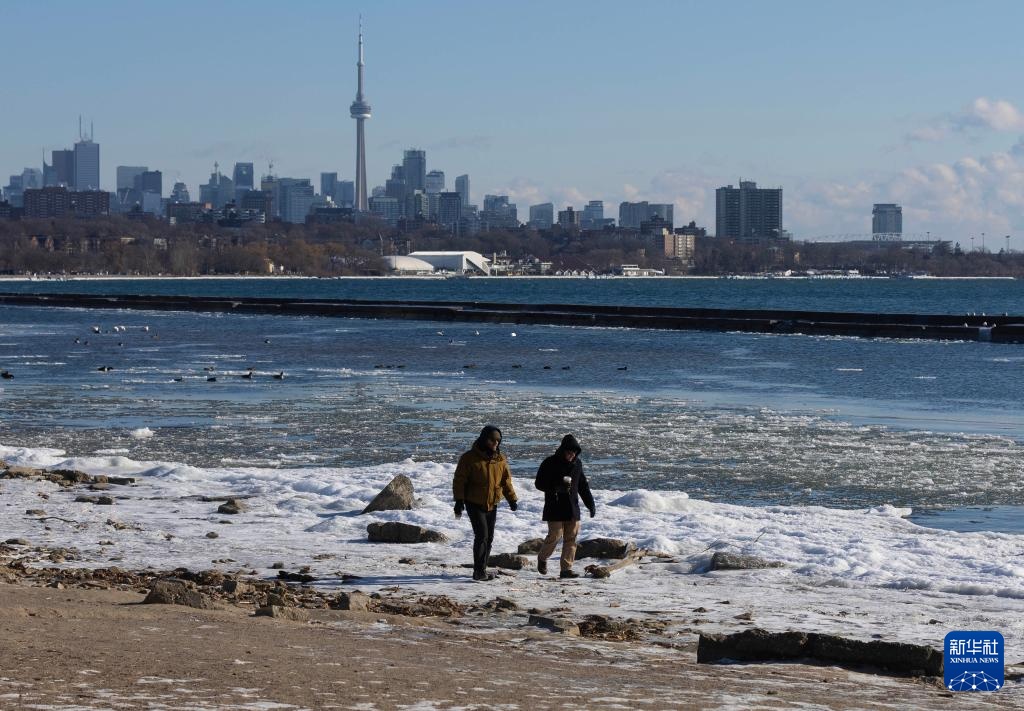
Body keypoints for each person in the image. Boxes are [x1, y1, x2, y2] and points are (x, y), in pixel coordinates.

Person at [452, 425, 518, 581]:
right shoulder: (469, 458)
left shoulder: (500, 459)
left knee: (489, 537)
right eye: (492, 439)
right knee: (482, 535)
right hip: (474, 503)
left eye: (498, 440)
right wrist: (459, 501)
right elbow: (459, 481)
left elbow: (506, 481)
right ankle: (478, 572)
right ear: (484, 439)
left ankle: (482, 569)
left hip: (492, 503)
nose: (495, 443)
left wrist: (512, 499)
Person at [534, 434, 595, 578]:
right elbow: (539, 484)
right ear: (562, 450)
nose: (571, 455)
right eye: (569, 452)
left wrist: (590, 504)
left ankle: (566, 569)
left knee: (571, 539)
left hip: (572, 508)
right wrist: (556, 487)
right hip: (554, 507)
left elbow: (583, 486)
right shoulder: (550, 462)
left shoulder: (577, 464)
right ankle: (542, 558)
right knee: (554, 536)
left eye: (574, 453)